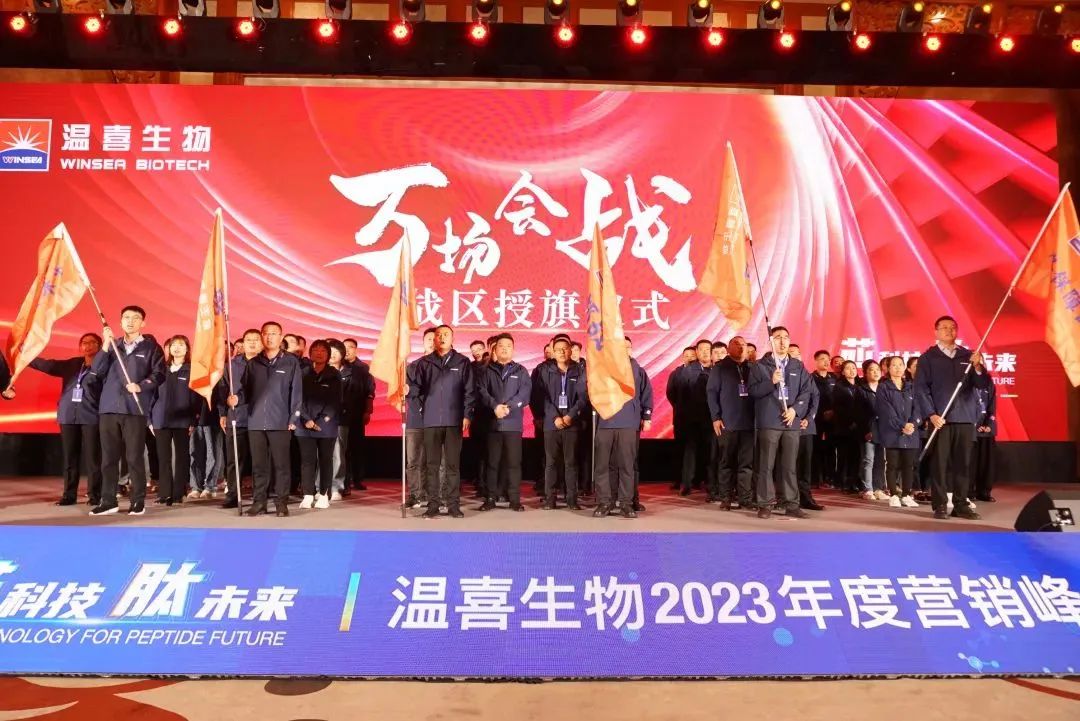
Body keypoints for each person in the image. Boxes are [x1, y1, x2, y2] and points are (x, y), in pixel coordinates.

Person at [90, 305, 165, 516]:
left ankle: (137, 501)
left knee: (134, 457)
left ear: (143, 322)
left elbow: (159, 374)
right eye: (126, 317)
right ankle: (108, 501)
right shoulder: (113, 346)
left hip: (134, 409)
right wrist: (105, 345)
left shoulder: (151, 348)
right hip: (109, 408)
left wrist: (141, 386)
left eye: (135, 318)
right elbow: (96, 371)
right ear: (121, 321)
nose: (130, 321)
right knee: (108, 458)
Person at [913, 315, 989, 520]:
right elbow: (921, 389)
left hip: (965, 418)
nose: (949, 331)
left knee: (963, 464)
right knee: (940, 464)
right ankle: (939, 504)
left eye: (952, 327)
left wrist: (978, 367)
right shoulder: (928, 358)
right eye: (944, 327)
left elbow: (983, 384)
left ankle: (961, 504)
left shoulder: (968, 355)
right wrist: (931, 414)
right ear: (936, 331)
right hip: (941, 420)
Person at [228, 321, 302, 517]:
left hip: (280, 421)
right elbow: (245, 391)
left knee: (281, 465)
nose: (269, 337)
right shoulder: (253, 364)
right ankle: (259, 502)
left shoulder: (291, 362)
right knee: (259, 466)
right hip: (256, 421)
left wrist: (294, 416)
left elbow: (296, 392)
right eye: (266, 333)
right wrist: (237, 399)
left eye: (274, 333)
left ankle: (281, 503)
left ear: (281, 337)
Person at [27, 332, 104, 506]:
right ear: (80, 347)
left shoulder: (104, 366)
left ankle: (95, 495)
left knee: (93, 459)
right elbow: (47, 365)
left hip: (91, 416)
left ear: (99, 346)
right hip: (68, 415)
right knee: (70, 458)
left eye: (92, 342)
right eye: (84, 342)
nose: (87, 345)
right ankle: (69, 495)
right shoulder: (72, 364)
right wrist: (25, 355)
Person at [409, 325, 475, 519]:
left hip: (454, 420)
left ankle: (453, 505)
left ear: (452, 338)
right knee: (432, 465)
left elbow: (469, 391)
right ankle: (433, 505)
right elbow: (416, 389)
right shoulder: (425, 362)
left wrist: (467, 414)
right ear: (434, 340)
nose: (442, 337)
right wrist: (409, 392)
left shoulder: (462, 362)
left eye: (446, 334)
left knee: (452, 466)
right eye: (438, 335)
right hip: (431, 421)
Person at [748, 326, 812, 519]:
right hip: (769, 421)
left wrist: (795, 410)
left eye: (786, 337)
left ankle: (791, 504)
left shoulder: (797, 366)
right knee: (766, 465)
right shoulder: (760, 366)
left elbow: (806, 392)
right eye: (777, 337)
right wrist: (771, 382)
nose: (782, 341)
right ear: (771, 341)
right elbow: (753, 392)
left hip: (791, 422)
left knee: (789, 466)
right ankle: (765, 504)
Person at [593, 335, 652, 519]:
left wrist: (647, 417)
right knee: (603, 465)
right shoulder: (603, 367)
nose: (625, 349)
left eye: (628, 347)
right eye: (621, 346)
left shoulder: (637, 369)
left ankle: (626, 503)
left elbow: (646, 394)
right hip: (606, 422)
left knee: (627, 465)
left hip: (628, 423)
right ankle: (605, 502)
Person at [477, 333, 531, 512]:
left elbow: (525, 394)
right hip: (492, 424)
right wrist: (495, 406)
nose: (505, 348)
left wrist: (509, 407)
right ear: (495, 349)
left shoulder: (521, 371)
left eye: (508, 346)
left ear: (513, 350)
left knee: (514, 463)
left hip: (513, 424)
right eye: (501, 345)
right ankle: (490, 498)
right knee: (492, 463)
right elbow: (482, 391)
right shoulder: (487, 371)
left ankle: (514, 499)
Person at [150, 335, 200, 506]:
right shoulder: (161, 370)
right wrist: (149, 419)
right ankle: (164, 492)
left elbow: (196, 398)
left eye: (181, 345)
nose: (177, 348)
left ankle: (178, 492)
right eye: (173, 345)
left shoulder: (192, 370)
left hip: (182, 420)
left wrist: (193, 420)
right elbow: (151, 395)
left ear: (187, 349)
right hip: (160, 419)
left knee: (181, 457)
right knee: (163, 457)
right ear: (169, 349)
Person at [537, 337, 586, 510]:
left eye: (565, 348)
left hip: (572, 423)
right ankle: (550, 500)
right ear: (553, 351)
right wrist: (554, 417)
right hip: (552, 424)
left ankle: (572, 500)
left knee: (570, 462)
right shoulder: (545, 370)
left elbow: (583, 397)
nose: (562, 352)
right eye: (558, 349)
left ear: (571, 350)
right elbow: (541, 396)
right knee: (551, 462)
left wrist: (570, 416)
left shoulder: (579, 370)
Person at [707, 335, 755, 511]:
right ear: (728, 348)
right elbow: (712, 393)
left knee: (746, 464)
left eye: (743, 344)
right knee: (726, 463)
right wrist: (716, 417)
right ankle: (726, 497)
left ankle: (745, 498)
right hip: (727, 422)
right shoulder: (720, 368)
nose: (740, 347)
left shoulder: (752, 367)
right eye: (736, 344)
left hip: (749, 423)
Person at [296, 340, 341, 510]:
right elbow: (297, 398)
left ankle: (323, 494)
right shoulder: (302, 373)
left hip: (326, 426)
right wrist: (306, 419)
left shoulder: (334, 375)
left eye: (323, 350)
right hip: (304, 424)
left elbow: (335, 401)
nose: (319, 353)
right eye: (315, 350)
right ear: (310, 353)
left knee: (325, 460)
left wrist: (322, 420)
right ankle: (308, 495)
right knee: (307, 461)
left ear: (328, 354)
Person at [218, 328, 261, 509]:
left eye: (256, 339)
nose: (252, 342)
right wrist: (222, 412)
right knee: (234, 460)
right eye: (248, 339)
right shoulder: (232, 364)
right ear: (243, 343)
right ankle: (233, 494)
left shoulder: (267, 364)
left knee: (260, 460)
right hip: (237, 417)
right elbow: (223, 389)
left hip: (261, 418)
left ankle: (260, 495)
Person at [877, 356, 922, 509]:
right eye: (894, 365)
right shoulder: (883, 387)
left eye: (900, 364)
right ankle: (894, 495)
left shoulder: (911, 386)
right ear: (888, 368)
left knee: (909, 465)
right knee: (893, 465)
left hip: (911, 432)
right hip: (892, 432)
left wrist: (913, 424)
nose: (898, 368)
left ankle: (907, 495)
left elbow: (918, 408)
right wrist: (902, 425)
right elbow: (886, 411)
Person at [674, 339, 713, 497]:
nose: (705, 352)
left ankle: (711, 484)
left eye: (707, 349)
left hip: (711, 419)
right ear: (696, 352)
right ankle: (687, 484)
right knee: (690, 452)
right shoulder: (688, 370)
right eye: (701, 349)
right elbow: (678, 394)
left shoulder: (716, 369)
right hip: (692, 419)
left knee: (710, 452)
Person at [404, 328, 436, 509]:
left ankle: (432, 495)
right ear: (423, 342)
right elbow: (410, 391)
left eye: (435, 339)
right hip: (416, 419)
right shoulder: (413, 366)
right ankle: (415, 494)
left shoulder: (446, 367)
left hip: (437, 421)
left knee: (433, 461)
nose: (432, 342)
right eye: (428, 339)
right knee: (413, 460)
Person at [831, 361, 863, 494]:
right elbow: (838, 408)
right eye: (848, 368)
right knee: (844, 456)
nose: (852, 370)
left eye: (853, 368)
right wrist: (850, 422)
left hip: (859, 427)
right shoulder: (839, 387)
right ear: (843, 372)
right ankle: (843, 482)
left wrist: (859, 421)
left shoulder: (861, 386)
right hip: (844, 427)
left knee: (857, 456)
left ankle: (854, 482)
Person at [858, 359, 887, 501]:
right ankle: (867, 489)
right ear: (865, 373)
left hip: (883, 430)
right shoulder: (861, 390)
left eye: (877, 369)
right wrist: (866, 429)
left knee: (881, 460)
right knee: (868, 459)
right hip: (869, 429)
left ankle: (878, 488)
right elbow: (859, 414)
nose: (875, 372)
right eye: (871, 369)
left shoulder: (885, 388)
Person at [809, 349, 838, 490]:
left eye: (828, 359)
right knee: (815, 448)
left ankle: (830, 477)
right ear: (815, 361)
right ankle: (815, 478)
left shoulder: (834, 378)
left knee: (831, 448)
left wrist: (833, 411)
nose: (826, 362)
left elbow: (839, 398)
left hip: (833, 419)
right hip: (816, 419)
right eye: (822, 359)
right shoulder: (810, 378)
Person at [973, 378, 997, 503]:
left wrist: (988, 424)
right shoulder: (967, 381)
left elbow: (992, 406)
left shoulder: (988, 382)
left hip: (987, 430)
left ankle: (984, 492)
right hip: (971, 428)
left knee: (986, 463)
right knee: (970, 462)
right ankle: (968, 492)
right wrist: (976, 425)